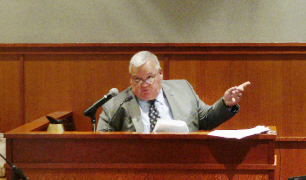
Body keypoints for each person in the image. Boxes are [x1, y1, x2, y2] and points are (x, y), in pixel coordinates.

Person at [96, 50, 250, 133]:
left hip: (185, 163)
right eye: (137, 79)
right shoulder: (117, 104)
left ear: (160, 74)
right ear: (130, 79)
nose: (144, 85)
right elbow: (101, 145)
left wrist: (225, 104)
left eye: (149, 77)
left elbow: (205, 119)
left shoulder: (183, 89)